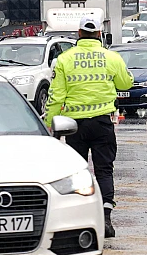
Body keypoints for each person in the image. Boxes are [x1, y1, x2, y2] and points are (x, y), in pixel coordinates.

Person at [45, 16, 134, 238]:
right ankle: (105, 219)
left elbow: (56, 96)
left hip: (74, 125)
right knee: (104, 169)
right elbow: (125, 83)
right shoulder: (111, 58)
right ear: (99, 35)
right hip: (102, 122)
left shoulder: (65, 59)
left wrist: (50, 125)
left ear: (78, 33)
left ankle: (79, 220)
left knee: (77, 172)